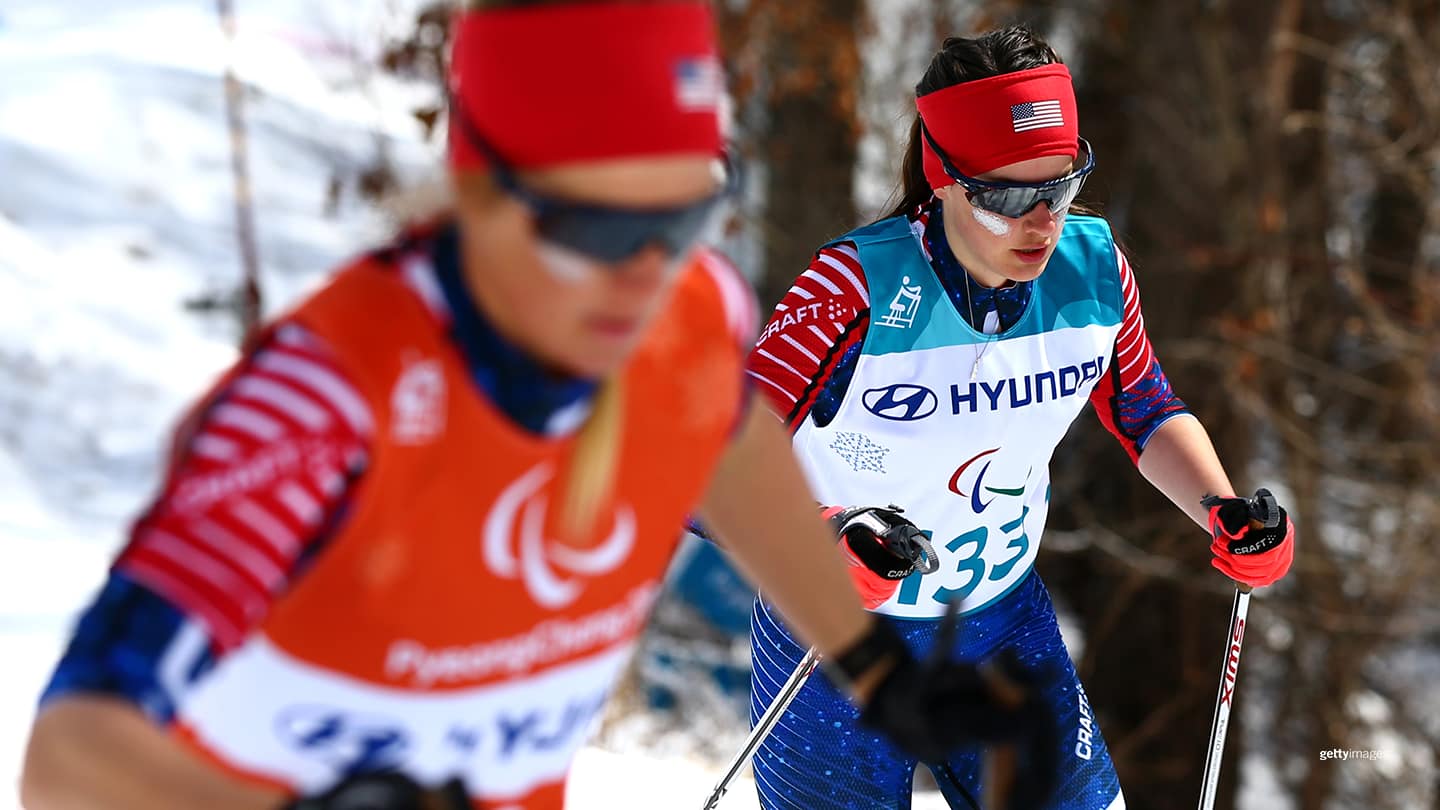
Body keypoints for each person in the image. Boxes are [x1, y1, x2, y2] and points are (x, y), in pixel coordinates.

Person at [19, 5, 1056, 810]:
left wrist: (871, 663)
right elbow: (68, 756)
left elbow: (728, 440)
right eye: (597, 230)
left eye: (685, 216)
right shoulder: (326, 400)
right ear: (478, 193)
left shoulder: (684, 315)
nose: (643, 275)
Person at [745, 26, 1297, 810]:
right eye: (1007, 197)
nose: (1042, 221)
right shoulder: (853, 286)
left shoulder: (1093, 268)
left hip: (1001, 623)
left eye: (1062, 186)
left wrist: (1221, 508)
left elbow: (1144, 407)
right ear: (942, 177)